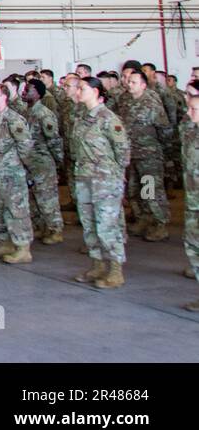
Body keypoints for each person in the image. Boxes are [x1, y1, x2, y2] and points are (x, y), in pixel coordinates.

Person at [70, 77, 130, 289]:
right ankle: (97, 265)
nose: (78, 91)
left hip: (105, 180)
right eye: (77, 88)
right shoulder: (81, 117)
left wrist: (116, 175)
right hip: (84, 177)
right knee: (89, 224)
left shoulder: (108, 118)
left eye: (82, 88)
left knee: (107, 225)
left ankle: (115, 270)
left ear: (96, 91)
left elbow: (123, 152)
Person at [0, 85, 36, 264]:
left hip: (12, 173)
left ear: (4, 97)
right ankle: (6, 242)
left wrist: (22, 168)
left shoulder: (14, 119)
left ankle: (23, 248)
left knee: (16, 209)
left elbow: (26, 147)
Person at [120, 70, 171, 241]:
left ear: (143, 85)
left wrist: (162, 150)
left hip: (148, 155)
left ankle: (159, 223)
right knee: (134, 189)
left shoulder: (151, 102)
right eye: (128, 81)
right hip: (131, 154)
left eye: (133, 82)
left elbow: (164, 129)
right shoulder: (125, 100)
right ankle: (143, 219)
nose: (129, 84)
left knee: (149, 190)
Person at [21, 80, 64, 244]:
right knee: (34, 198)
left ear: (38, 93)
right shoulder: (27, 113)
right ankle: (41, 227)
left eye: (28, 89)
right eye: (24, 89)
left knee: (47, 197)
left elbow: (54, 140)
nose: (24, 92)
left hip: (43, 162)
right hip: (29, 162)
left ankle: (55, 229)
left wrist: (58, 162)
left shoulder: (44, 114)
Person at [181, 94, 199, 311]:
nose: (188, 113)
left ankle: (157, 219)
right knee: (193, 245)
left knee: (150, 191)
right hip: (193, 198)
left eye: (193, 109)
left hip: (150, 160)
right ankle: (144, 215)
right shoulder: (191, 133)